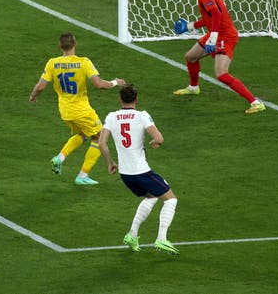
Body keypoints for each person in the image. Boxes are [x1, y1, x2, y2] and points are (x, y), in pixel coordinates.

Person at [29, 32, 125, 185]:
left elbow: (40, 86)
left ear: (60, 46)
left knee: (83, 134)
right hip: (82, 110)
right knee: (99, 138)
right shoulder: (84, 62)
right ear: (75, 44)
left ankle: (59, 158)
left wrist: (33, 96)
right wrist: (115, 82)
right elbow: (99, 84)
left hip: (65, 111)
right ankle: (82, 175)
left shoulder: (52, 63)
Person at [173, 0, 265, 114]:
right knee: (191, 57)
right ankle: (193, 88)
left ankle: (256, 103)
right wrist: (190, 26)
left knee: (221, 74)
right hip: (216, 33)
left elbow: (215, 14)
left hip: (225, 35)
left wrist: (213, 38)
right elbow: (209, 17)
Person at [99, 84, 178, 255]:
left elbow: (102, 143)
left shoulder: (112, 117)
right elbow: (159, 138)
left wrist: (110, 162)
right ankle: (162, 238)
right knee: (170, 199)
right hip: (141, 172)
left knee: (151, 197)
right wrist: (155, 142)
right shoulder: (142, 116)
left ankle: (132, 234)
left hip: (125, 174)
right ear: (136, 99)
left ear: (120, 99)